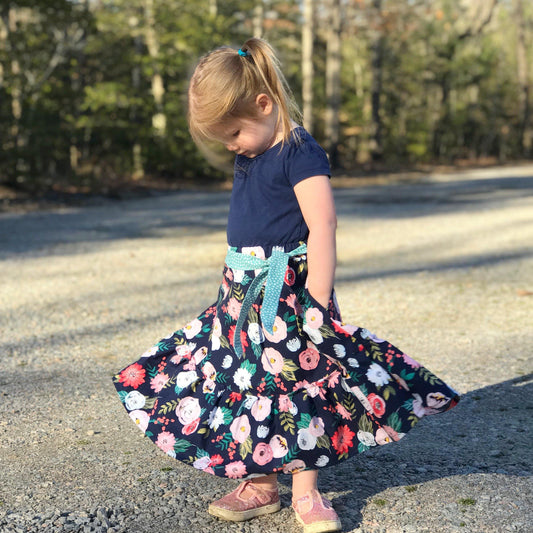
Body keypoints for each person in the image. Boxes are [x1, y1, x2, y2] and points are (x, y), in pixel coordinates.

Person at [113, 38, 459, 533]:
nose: (231, 144)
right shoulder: (251, 152)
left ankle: (307, 491)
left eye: (233, 132)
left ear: (264, 104)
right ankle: (260, 483)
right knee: (245, 381)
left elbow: (323, 225)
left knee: (298, 385)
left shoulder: (300, 151)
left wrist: (317, 299)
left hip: (292, 293)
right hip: (241, 294)